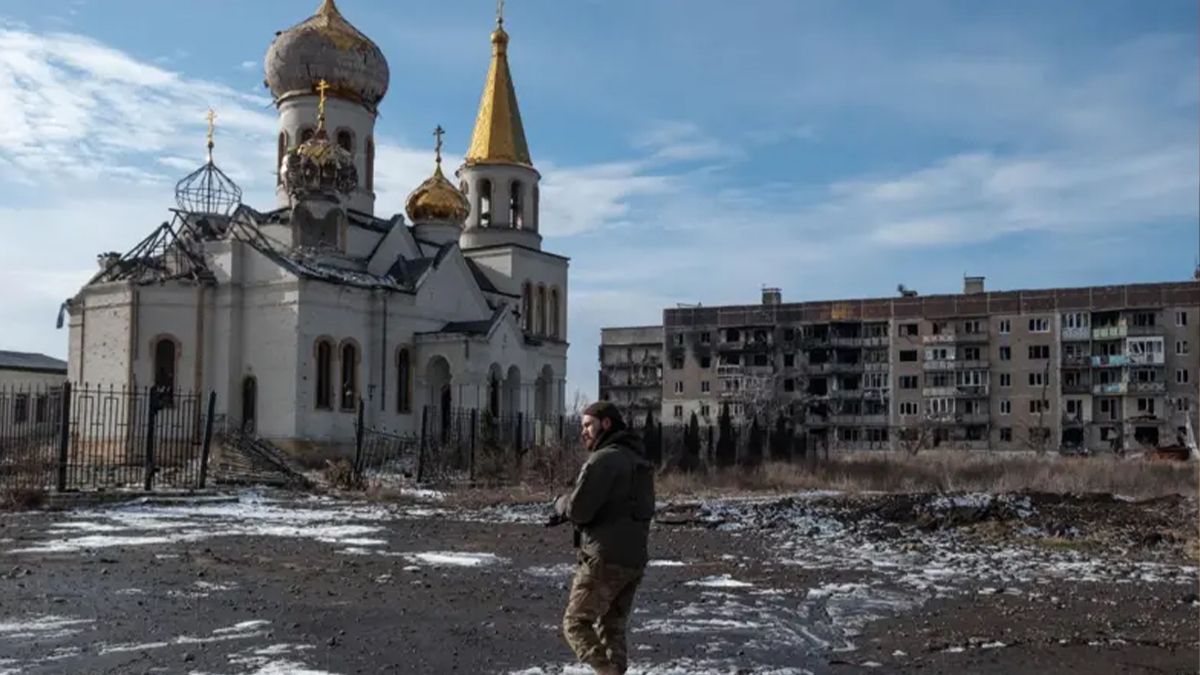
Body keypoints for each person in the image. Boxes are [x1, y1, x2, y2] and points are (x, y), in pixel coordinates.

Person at [553, 401, 655, 675]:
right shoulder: (638, 460)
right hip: (634, 560)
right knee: (612, 628)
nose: (583, 432)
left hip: (604, 559)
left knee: (576, 623)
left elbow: (579, 510)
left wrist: (561, 504)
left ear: (606, 423)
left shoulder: (603, 460)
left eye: (588, 425)